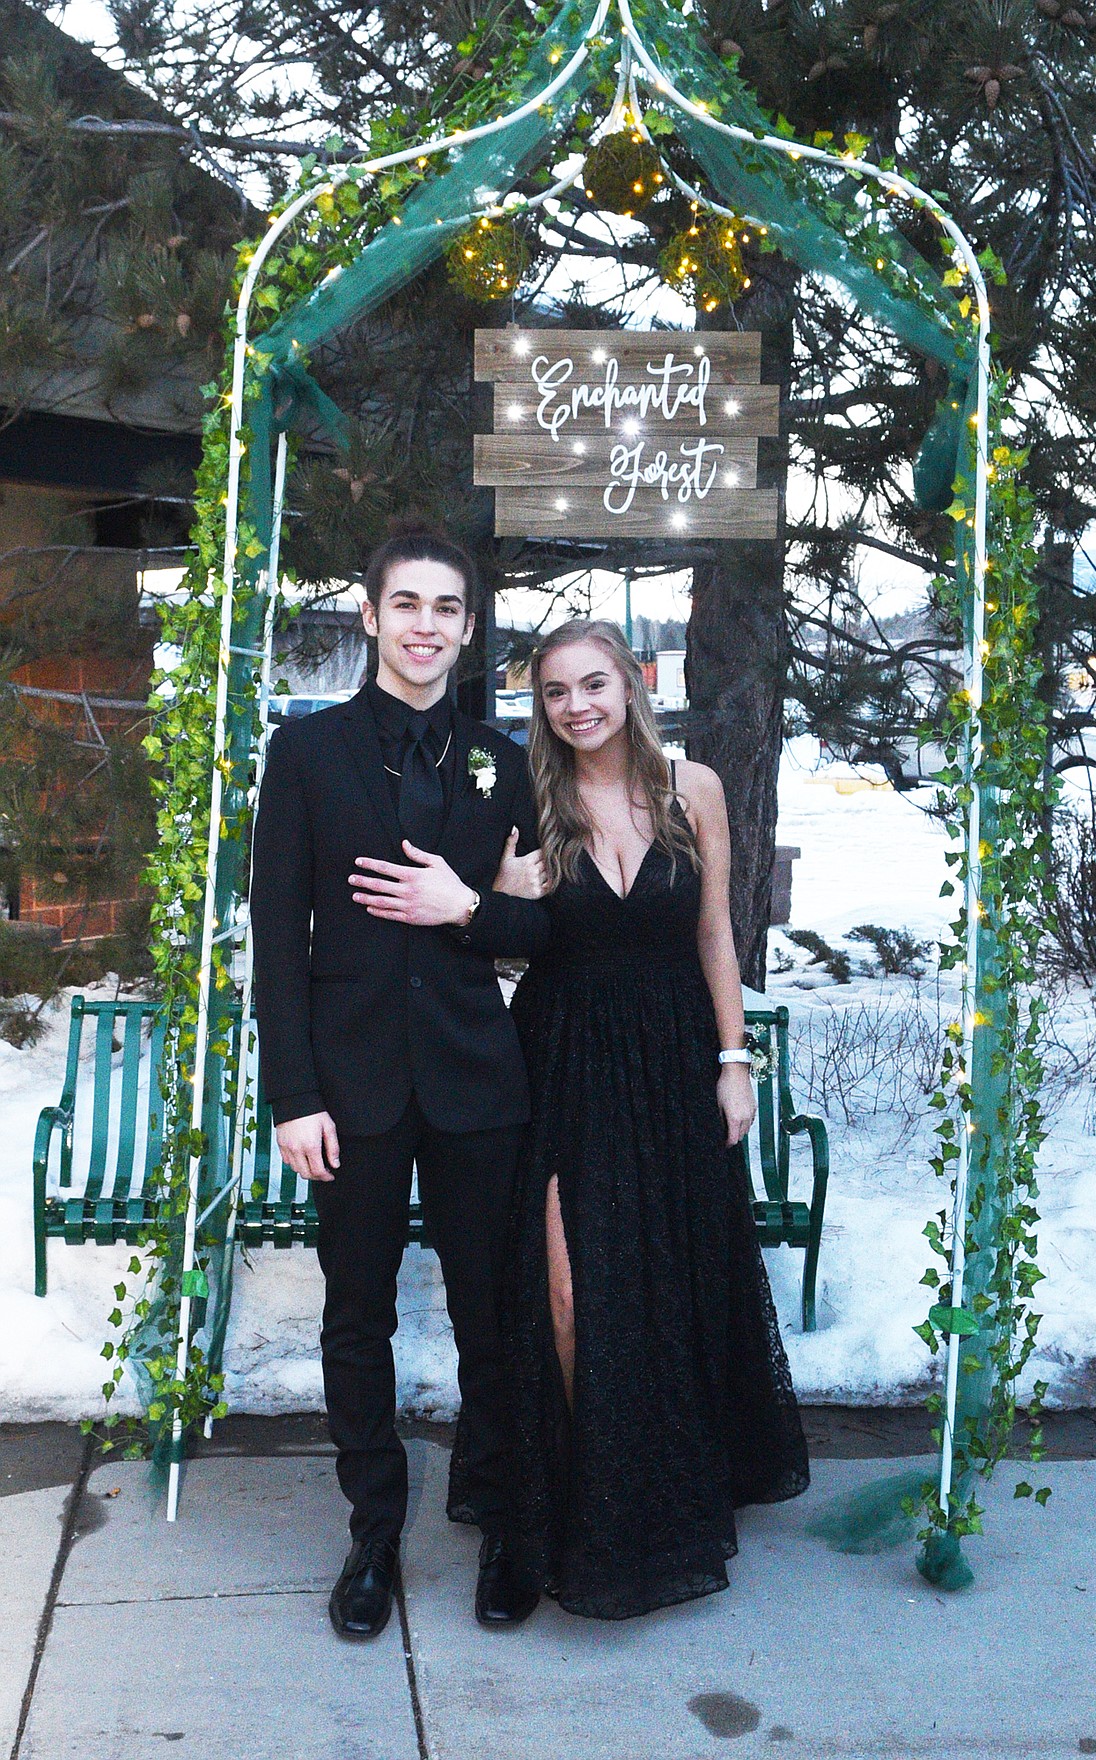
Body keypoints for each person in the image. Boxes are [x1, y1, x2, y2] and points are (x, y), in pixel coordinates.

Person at [250, 525, 546, 1639]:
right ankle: (372, 1532)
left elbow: (538, 922)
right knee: (356, 1315)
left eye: (447, 607)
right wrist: (293, 1091)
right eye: (406, 603)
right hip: (351, 1085)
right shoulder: (307, 754)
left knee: (491, 1310)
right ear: (370, 614)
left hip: (478, 1081)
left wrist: (468, 907)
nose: (426, 624)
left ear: (470, 629)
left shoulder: (503, 761)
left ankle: (506, 1516)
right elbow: (278, 932)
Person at [492, 618, 810, 1620]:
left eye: (595, 683)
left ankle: (660, 1491)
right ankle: (585, 1497)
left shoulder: (695, 787)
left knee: (671, 1279)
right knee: (571, 1291)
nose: (578, 705)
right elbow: (497, 943)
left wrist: (733, 1058)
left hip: (675, 1055)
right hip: (563, 1059)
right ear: (540, 706)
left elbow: (717, 931)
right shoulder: (527, 801)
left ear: (635, 682)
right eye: (556, 692)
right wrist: (501, 893)